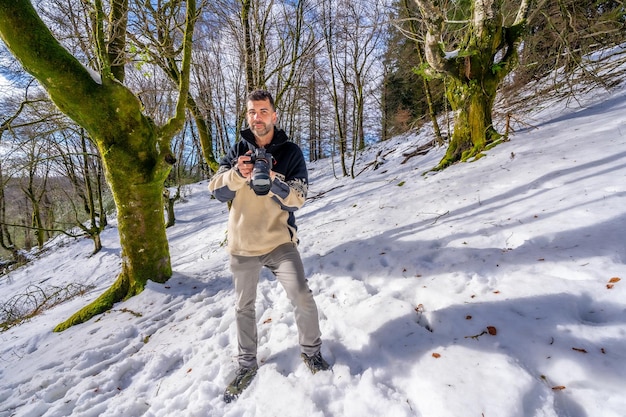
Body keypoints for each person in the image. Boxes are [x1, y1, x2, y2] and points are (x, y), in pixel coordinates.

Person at [209, 89, 330, 403]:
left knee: (302, 295)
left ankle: (312, 353)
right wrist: (238, 173)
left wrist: (274, 180)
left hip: (279, 241)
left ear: (274, 115)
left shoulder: (290, 152)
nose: (257, 117)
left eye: (263, 111)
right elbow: (216, 190)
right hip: (242, 244)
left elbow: (299, 197)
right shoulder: (237, 150)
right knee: (243, 308)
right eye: (251, 111)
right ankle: (247, 365)